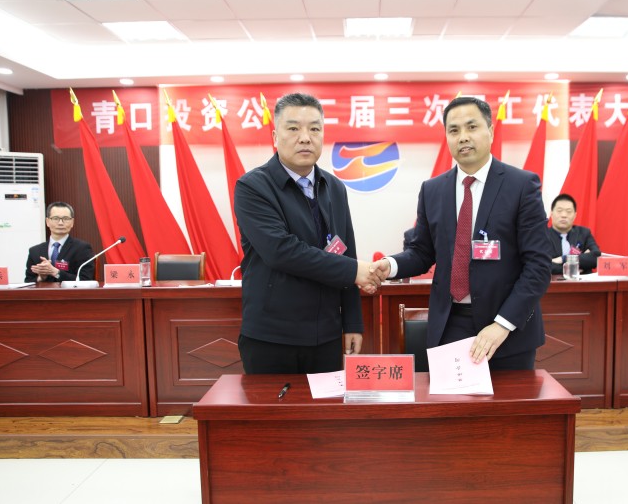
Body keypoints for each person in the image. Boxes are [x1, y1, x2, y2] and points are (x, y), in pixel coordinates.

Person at [373, 96, 552, 370]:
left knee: (508, 400)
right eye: (454, 130)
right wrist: (390, 265)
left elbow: (538, 265)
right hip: (450, 325)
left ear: (490, 131)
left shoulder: (521, 185)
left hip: (507, 331)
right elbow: (422, 252)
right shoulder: (432, 190)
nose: (463, 137)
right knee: (449, 399)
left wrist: (502, 325)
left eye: (472, 127)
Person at [233, 92, 380, 375]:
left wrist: (352, 323)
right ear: (275, 136)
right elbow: (281, 251)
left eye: (314, 129)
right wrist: (355, 270)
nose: (305, 138)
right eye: (293, 128)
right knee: (273, 406)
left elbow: (346, 249)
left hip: (326, 336)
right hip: (271, 337)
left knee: (325, 406)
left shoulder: (334, 187)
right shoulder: (252, 187)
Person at [25, 202, 95, 283]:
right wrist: (41, 278)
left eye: (65, 218)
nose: (60, 223)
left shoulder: (82, 248)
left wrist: (56, 273)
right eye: (55, 218)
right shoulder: (35, 251)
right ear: (47, 221)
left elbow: (85, 280)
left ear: (72, 222)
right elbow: (28, 282)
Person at [548, 193, 601, 275]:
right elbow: (541, 264)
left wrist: (564, 259)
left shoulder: (584, 233)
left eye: (569, 212)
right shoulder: (542, 236)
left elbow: (596, 257)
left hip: (582, 282)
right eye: (559, 211)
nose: (564, 215)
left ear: (575, 215)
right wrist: (572, 268)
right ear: (551, 213)